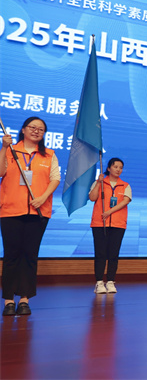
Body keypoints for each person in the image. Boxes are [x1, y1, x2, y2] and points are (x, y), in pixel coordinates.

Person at [1, 117, 60, 316]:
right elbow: (1, 172)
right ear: (24, 129)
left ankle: (24, 299)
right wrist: (3, 147)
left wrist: (42, 198)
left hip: (38, 211)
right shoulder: (11, 150)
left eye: (41, 129)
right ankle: (9, 300)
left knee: (30, 255)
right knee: (11, 255)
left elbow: (55, 179)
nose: (36, 131)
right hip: (10, 210)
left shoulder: (49, 155)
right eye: (32, 127)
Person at [89, 157, 132, 294]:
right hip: (100, 223)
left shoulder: (125, 185)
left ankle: (111, 281)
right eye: (115, 167)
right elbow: (92, 198)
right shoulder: (100, 182)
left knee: (113, 254)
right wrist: (98, 183)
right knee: (100, 253)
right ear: (108, 168)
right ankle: (99, 282)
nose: (118, 169)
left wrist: (109, 212)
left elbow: (125, 201)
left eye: (121, 167)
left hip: (118, 224)